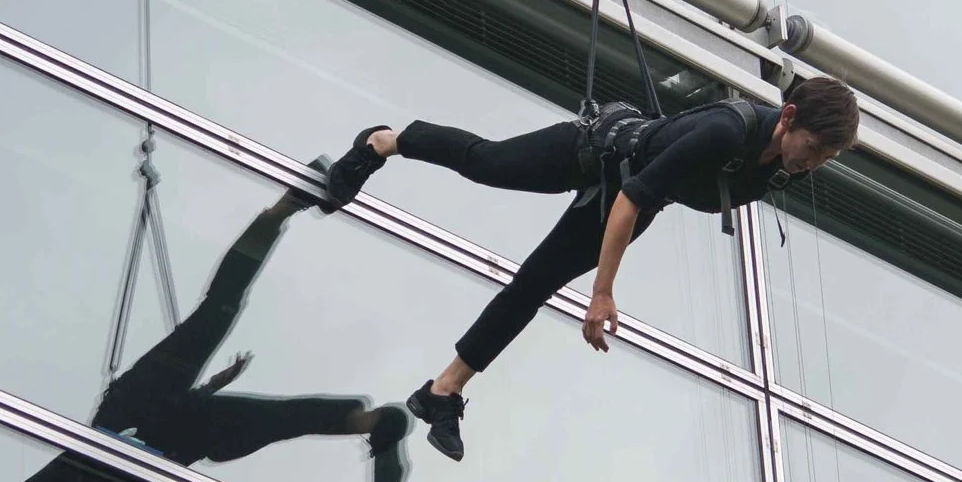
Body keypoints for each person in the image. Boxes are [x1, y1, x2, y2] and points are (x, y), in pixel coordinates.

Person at [318, 76, 860, 461]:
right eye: (812, 148)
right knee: (487, 163)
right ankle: (383, 141)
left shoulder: (784, 169)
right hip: (593, 154)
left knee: (533, 285)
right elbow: (630, 198)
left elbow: (644, 202)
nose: (811, 163)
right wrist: (602, 293)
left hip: (634, 200)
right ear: (788, 117)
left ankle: (440, 393)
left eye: (824, 158)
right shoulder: (726, 131)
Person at [0, 174, 412, 482]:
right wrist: (206, 392)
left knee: (218, 312)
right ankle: (374, 423)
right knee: (270, 421)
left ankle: (282, 208)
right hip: (166, 440)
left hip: (132, 412)